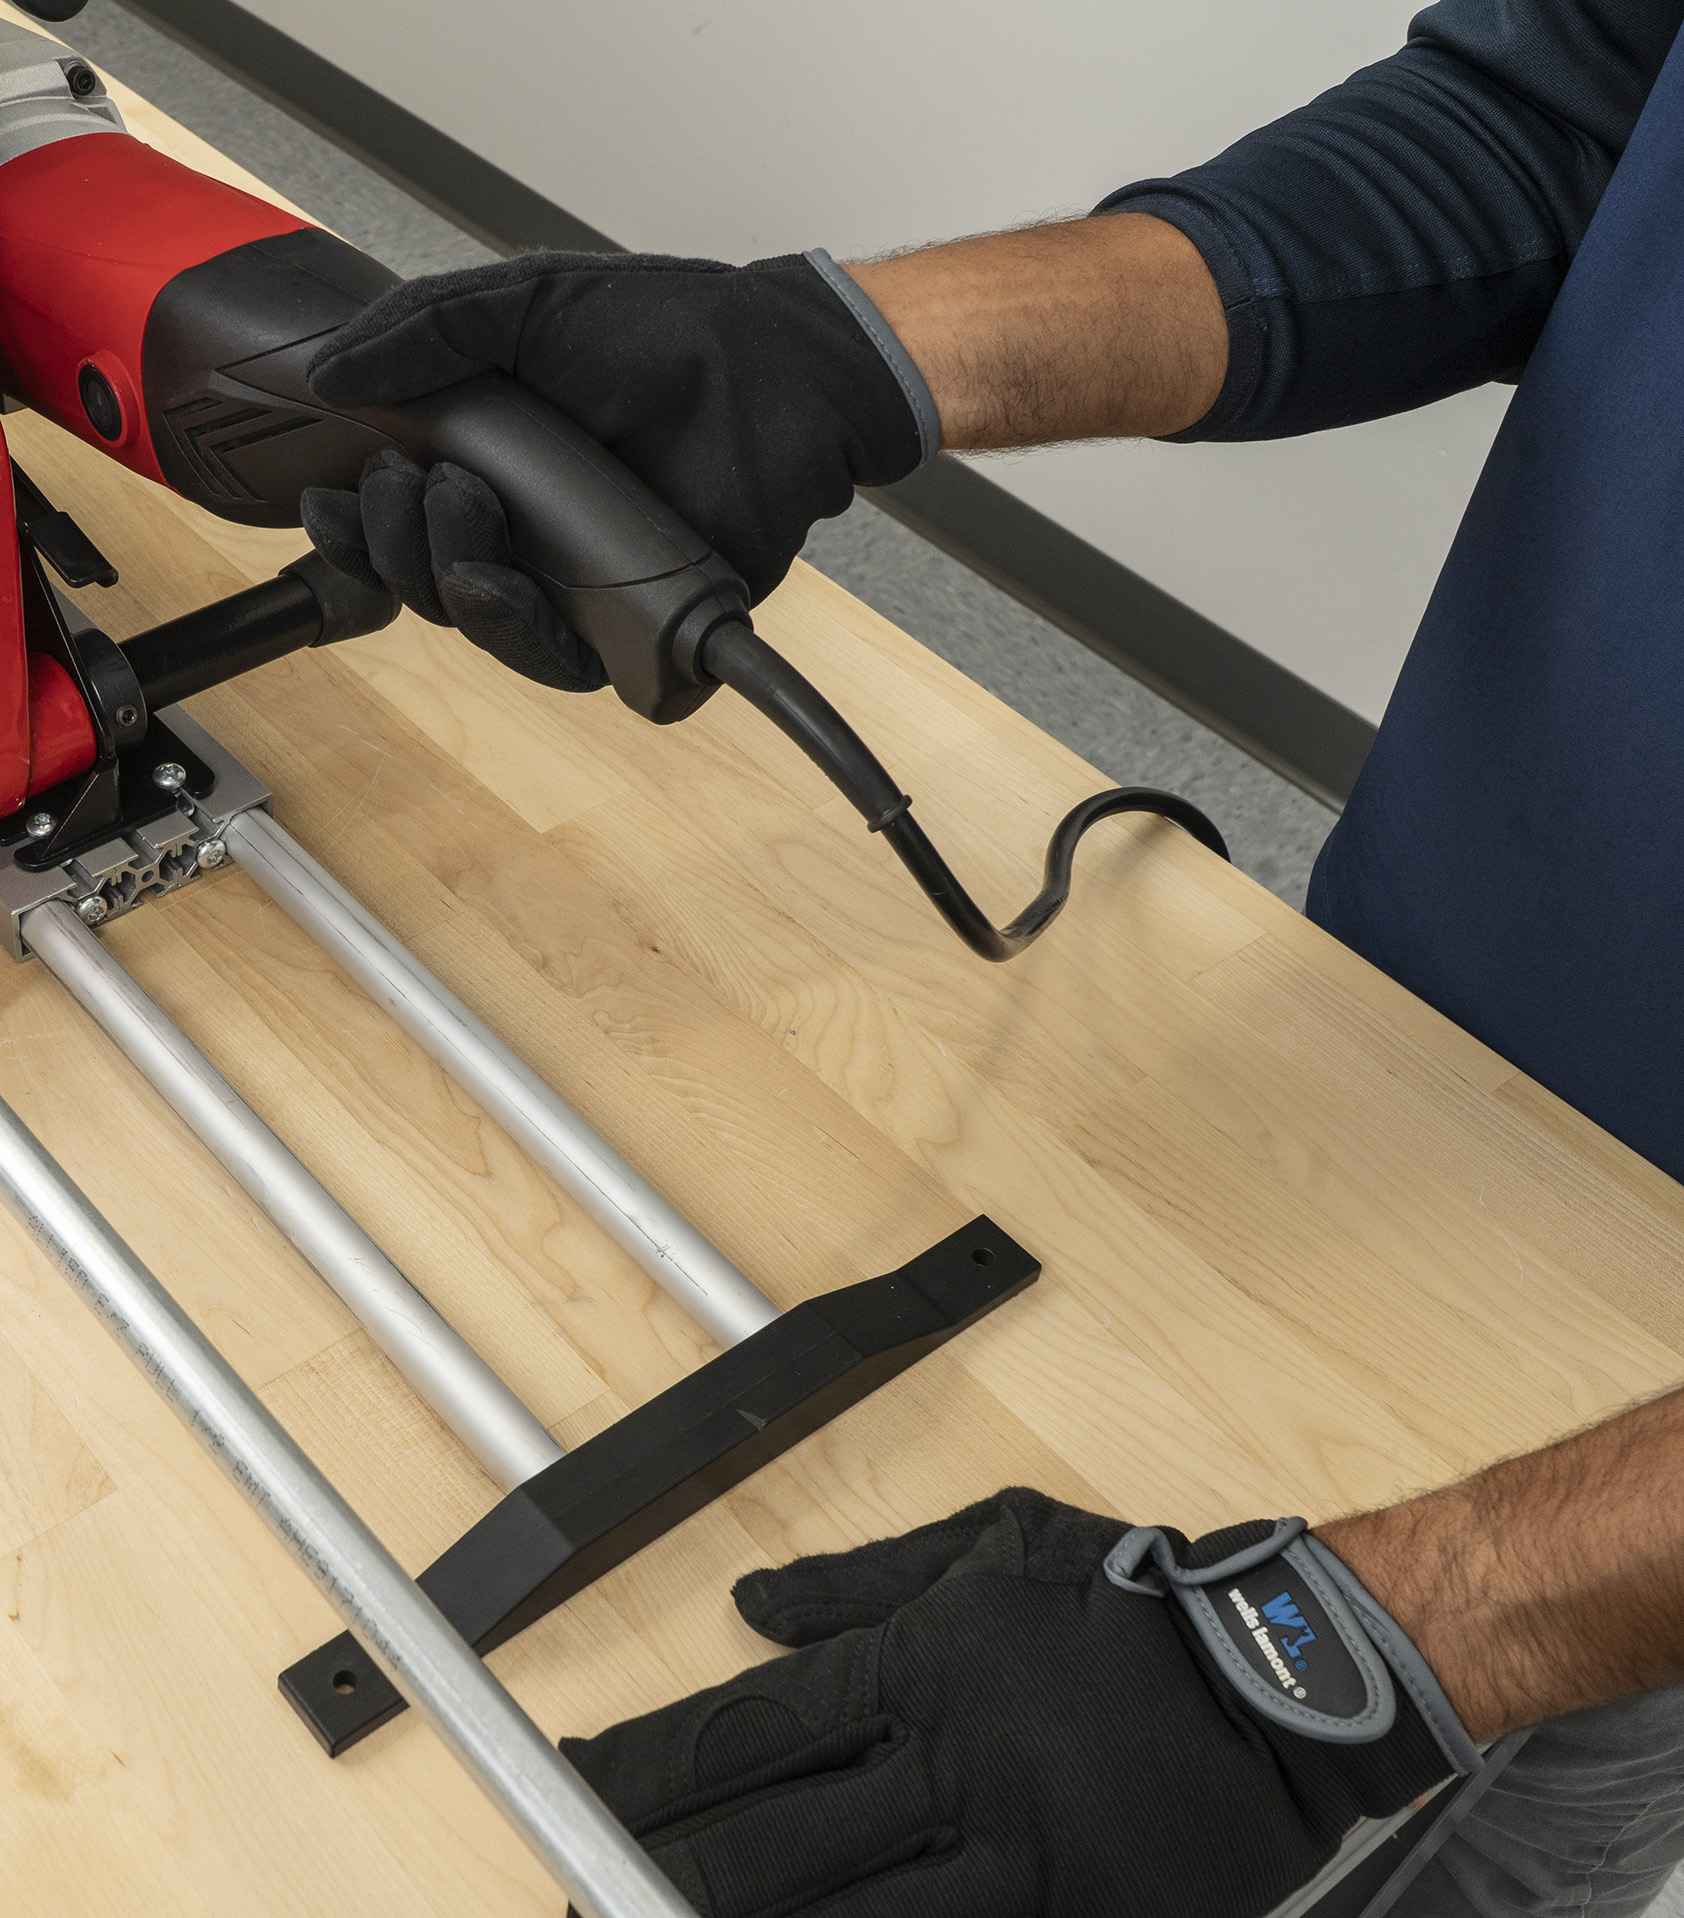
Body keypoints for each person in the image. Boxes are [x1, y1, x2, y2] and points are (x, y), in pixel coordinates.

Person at [293, 0, 1684, 1911]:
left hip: (1631, 1452)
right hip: (1424, 1023)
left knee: (1487, 1845)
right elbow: (1564, 117)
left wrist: (1359, 1652)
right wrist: (832, 356)